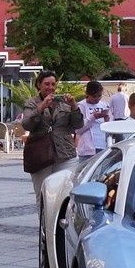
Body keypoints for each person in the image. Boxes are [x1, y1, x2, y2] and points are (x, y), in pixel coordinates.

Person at [20, 71, 83, 200]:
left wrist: (74, 106)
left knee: (67, 193)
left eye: (53, 84)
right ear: (39, 85)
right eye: (46, 84)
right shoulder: (31, 103)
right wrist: (42, 106)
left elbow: (78, 124)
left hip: (65, 153)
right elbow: (26, 124)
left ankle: (63, 220)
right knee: (44, 195)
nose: (50, 87)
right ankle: (45, 220)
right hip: (41, 154)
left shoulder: (64, 103)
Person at [77, 79, 112, 158]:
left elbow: (109, 128)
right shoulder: (81, 106)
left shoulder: (104, 105)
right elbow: (78, 129)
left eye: (99, 96)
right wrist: (93, 117)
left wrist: (107, 120)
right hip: (87, 149)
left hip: (102, 145)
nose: (97, 98)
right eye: (94, 96)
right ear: (87, 94)